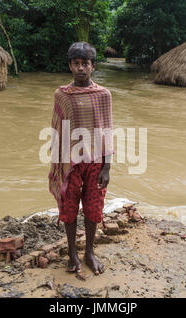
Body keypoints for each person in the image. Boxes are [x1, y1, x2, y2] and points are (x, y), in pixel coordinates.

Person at [48, 42, 114, 279]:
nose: (80, 68)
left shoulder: (103, 95)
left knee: (93, 208)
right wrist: (57, 165)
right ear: (70, 66)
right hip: (69, 162)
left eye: (85, 63)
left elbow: (107, 130)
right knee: (69, 208)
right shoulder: (62, 95)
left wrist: (107, 167)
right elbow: (57, 130)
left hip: (95, 161)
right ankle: (72, 254)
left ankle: (88, 252)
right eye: (76, 64)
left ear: (93, 66)